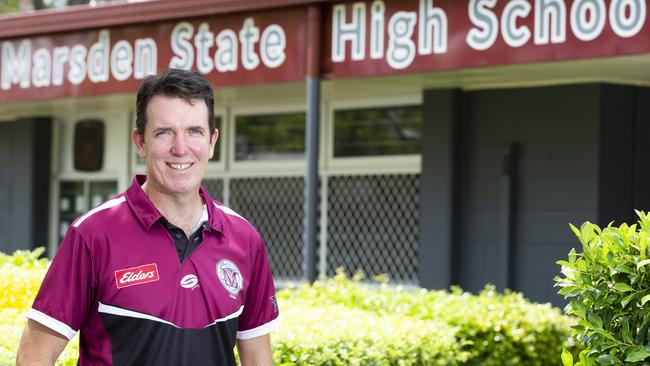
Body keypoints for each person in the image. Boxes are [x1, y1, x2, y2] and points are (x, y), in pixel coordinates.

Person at [16, 68, 279, 365]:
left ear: (212, 142)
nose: (181, 149)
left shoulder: (244, 239)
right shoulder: (93, 234)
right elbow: (34, 355)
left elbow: (258, 357)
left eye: (194, 131)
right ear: (140, 142)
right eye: (164, 132)